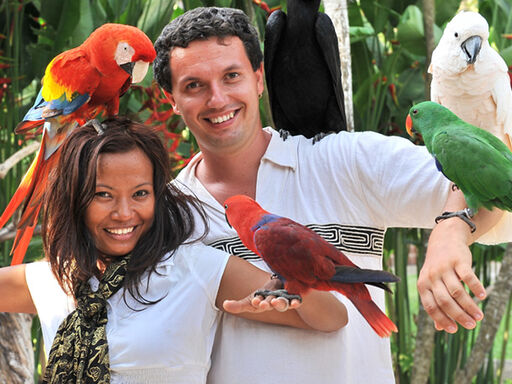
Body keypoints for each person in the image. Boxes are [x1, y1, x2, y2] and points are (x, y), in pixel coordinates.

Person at [0, 118, 347, 383]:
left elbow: (330, 317)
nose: (124, 213)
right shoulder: (54, 277)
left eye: (140, 194)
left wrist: (284, 295)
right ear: (75, 200)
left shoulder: (197, 267)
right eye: (102, 195)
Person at [153, 6, 510, 384]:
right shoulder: (164, 215)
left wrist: (451, 232)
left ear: (259, 79)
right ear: (170, 98)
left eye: (232, 76)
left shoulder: (350, 160)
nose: (217, 98)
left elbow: (486, 178)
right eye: (194, 85)